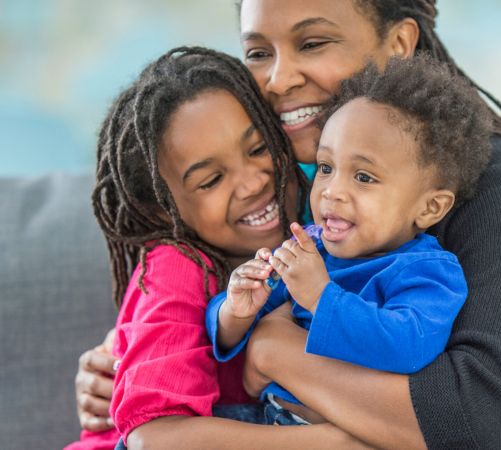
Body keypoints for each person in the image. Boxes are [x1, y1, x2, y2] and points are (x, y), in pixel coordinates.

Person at [76, 1, 501, 448]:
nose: (279, 80)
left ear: (400, 43)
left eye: (313, 43)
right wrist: (131, 353)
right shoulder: (302, 187)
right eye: (259, 52)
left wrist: (274, 351)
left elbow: (485, 423)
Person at [66, 45, 374, 450]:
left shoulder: (323, 216)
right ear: (160, 210)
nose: (253, 183)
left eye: (259, 148)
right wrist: (337, 443)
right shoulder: (175, 267)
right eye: (210, 180)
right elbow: (153, 439)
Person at [207, 54, 491, 426]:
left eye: (364, 177)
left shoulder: (427, 272)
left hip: (334, 431)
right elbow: (231, 325)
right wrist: (236, 310)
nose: (331, 192)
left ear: (429, 208)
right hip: (267, 414)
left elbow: (409, 346)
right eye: (326, 168)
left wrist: (322, 298)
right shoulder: (310, 247)